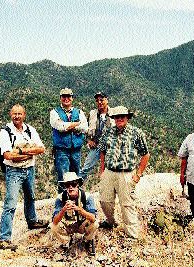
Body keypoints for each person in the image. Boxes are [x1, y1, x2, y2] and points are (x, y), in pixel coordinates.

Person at [0, 104, 49, 250]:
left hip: (29, 169)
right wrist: (28, 153)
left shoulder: (30, 130)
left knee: (30, 197)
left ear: (24, 115)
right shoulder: (5, 132)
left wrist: (20, 151)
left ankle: (32, 220)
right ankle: (4, 238)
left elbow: (42, 148)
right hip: (13, 171)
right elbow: (8, 156)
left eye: (19, 114)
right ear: (10, 114)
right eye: (14, 114)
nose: (17, 116)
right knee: (11, 204)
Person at [98, 106, 150, 239]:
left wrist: (138, 174)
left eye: (122, 116)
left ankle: (132, 234)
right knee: (105, 201)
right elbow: (102, 151)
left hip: (126, 173)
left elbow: (145, 154)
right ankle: (111, 222)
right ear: (114, 118)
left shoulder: (136, 133)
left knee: (127, 204)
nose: (119, 119)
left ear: (127, 118)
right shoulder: (108, 132)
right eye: (117, 117)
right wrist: (102, 169)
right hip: (109, 172)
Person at [50, 88, 88, 192]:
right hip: (61, 150)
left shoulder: (79, 112)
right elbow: (60, 126)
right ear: (60, 98)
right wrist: (76, 124)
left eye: (68, 96)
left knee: (76, 177)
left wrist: (69, 126)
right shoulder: (54, 112)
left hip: (76, 150)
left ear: (72, 98)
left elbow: (85, 128)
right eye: (64, 96)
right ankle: (63, 204)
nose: (66, 98)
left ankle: (77, 202)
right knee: (63, 178)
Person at [51, 172, 98, 256]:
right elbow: (55, 221)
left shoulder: (87, 197)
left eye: (73, 184)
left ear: (78, 185)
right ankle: (66, 242)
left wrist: (80, 210)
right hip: (69, 225)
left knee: (95, 223)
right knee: (53, 226)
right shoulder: (60, 198)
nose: (70, 187)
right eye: (67, 185)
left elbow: (93, 218)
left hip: (82, 224)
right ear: (65, 187)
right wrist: (63, 210)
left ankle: (88, 240)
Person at [80, 92, 114, 181]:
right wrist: (88, 140)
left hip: (110, 147)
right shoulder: (92, 114)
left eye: (101, 100)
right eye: (97, 100)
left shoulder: (114, 113)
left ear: (107, 100)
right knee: (86, 168)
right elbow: (84, 129)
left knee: (110, 169)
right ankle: (76, 189)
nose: (99, 102)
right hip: (96, 145)